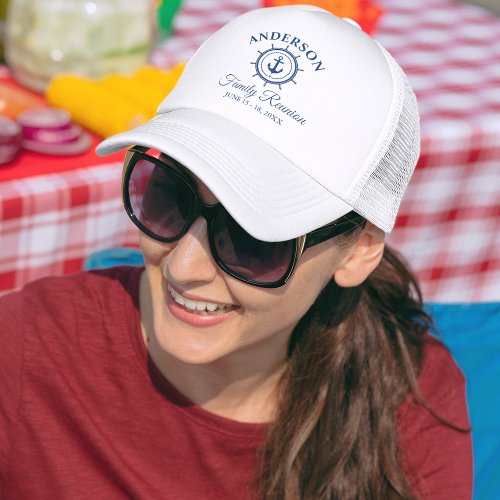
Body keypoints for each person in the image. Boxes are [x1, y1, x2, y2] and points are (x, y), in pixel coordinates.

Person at [0, 5, 472, 499]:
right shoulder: (25, 351)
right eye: (168, 195)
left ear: (358, 251)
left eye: (253, 237)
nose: (184, 265)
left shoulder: (407, 401)